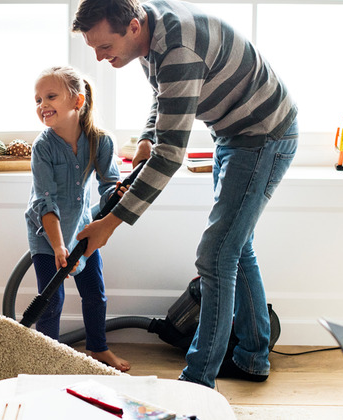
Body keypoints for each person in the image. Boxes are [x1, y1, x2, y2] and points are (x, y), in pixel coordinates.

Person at [72, 0, 299, 388]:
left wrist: (110, 223)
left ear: (132, 27)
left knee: (216, 256)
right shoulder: (148, 36)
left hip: (263, 136)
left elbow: (171, 156)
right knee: (235, 247)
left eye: (104, 47)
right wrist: (147, 138)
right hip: (232, 134)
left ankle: (196, 384)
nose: (99, 57)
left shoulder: (178, 48)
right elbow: (167, 96)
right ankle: (252, 358)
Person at [25, 66, 130, 371]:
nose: (42, 105)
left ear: (77, 101)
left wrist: (116, 195)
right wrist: (58, 247)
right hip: (47, 233)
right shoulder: (43, 147)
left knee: (94, 293)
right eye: (37, 99)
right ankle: (49, 357)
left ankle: (98, 348)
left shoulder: (101, 141)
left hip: (84, 229)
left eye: (50, 96)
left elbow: (109, 186)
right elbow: (43, 202)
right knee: (52, 299)